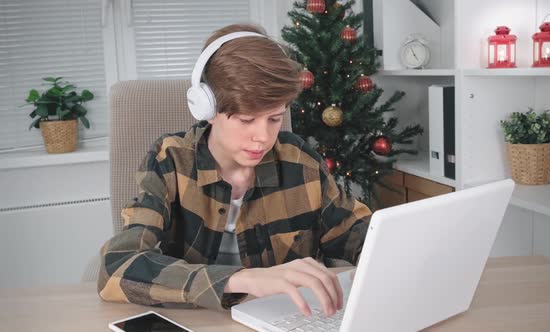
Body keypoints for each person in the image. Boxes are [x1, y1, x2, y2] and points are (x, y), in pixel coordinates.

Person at [97, 23, 371, 317]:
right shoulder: (171, 161)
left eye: (275, 118)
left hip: (289, 319)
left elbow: (360, 233)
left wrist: (379, 260)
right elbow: (118, 267)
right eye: (246, 120)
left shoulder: (299, 160)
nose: (263, 137)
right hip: (199, 320)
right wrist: (240, 280)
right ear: (207, 108)